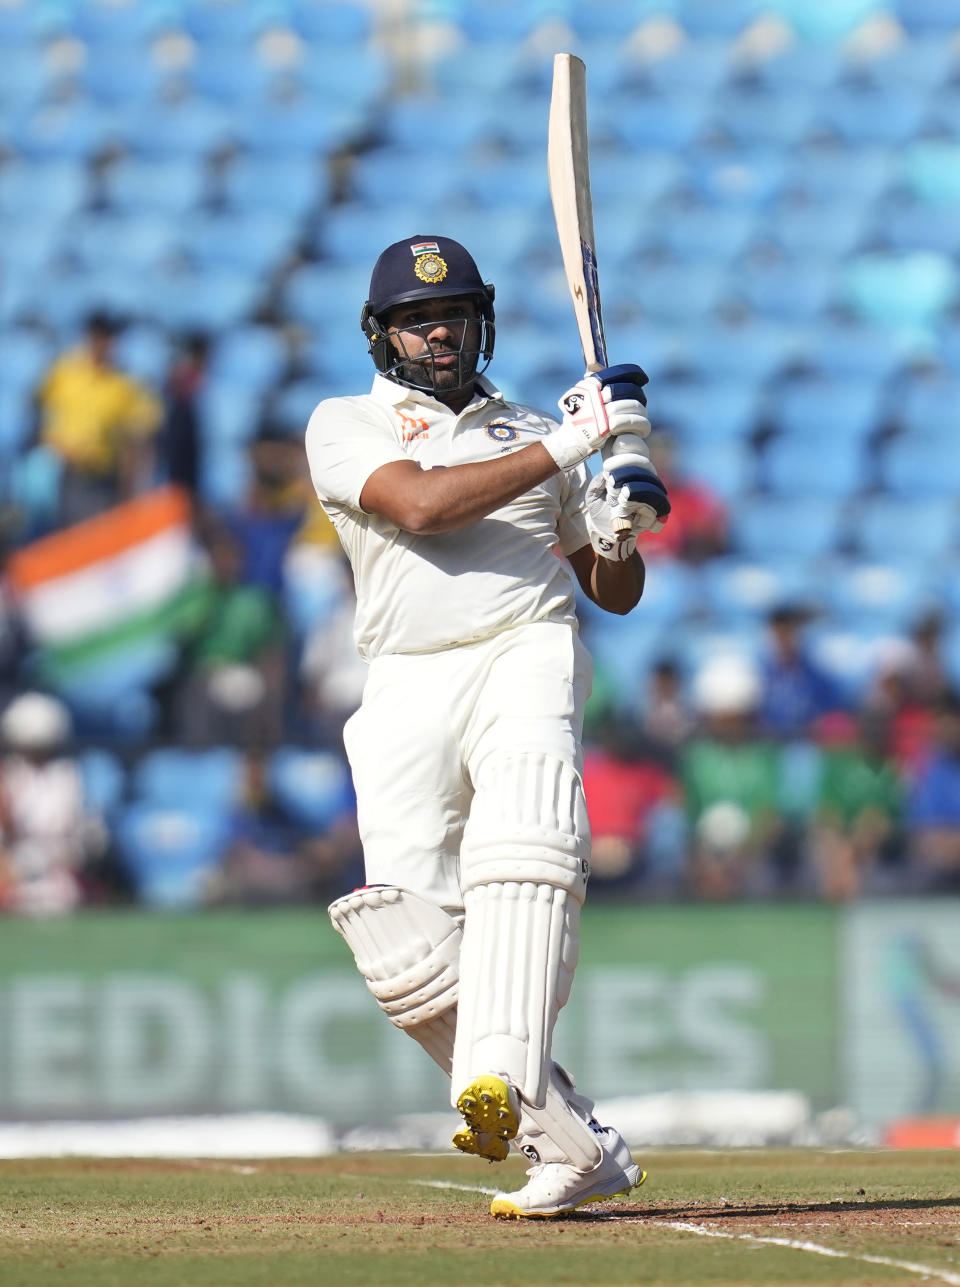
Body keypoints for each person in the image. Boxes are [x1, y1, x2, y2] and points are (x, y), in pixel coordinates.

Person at [306, 234, 670, 1219]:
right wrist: (570, 444)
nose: (439, 334)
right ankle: (573, 1142)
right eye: (419, 321)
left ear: (482, 325)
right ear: (381, 335)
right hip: (405, 679)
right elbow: (420, 509)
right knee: (403, 945)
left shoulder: (525, 430)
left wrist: (613, 533)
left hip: (525, 648)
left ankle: (498, 1081)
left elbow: (614, 591)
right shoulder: (344, 424)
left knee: (525, 848)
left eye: (455, 317)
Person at [34, 311, 163, 526]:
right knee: (69, 535)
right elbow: (37, 408)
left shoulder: (121, 383)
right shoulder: (65, 372)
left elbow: (144, 427)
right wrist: (50, 441)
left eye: (111, 339)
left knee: (96, 535)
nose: (107, 345)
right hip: (67, 471)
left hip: (103, 475)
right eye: (102, 338)